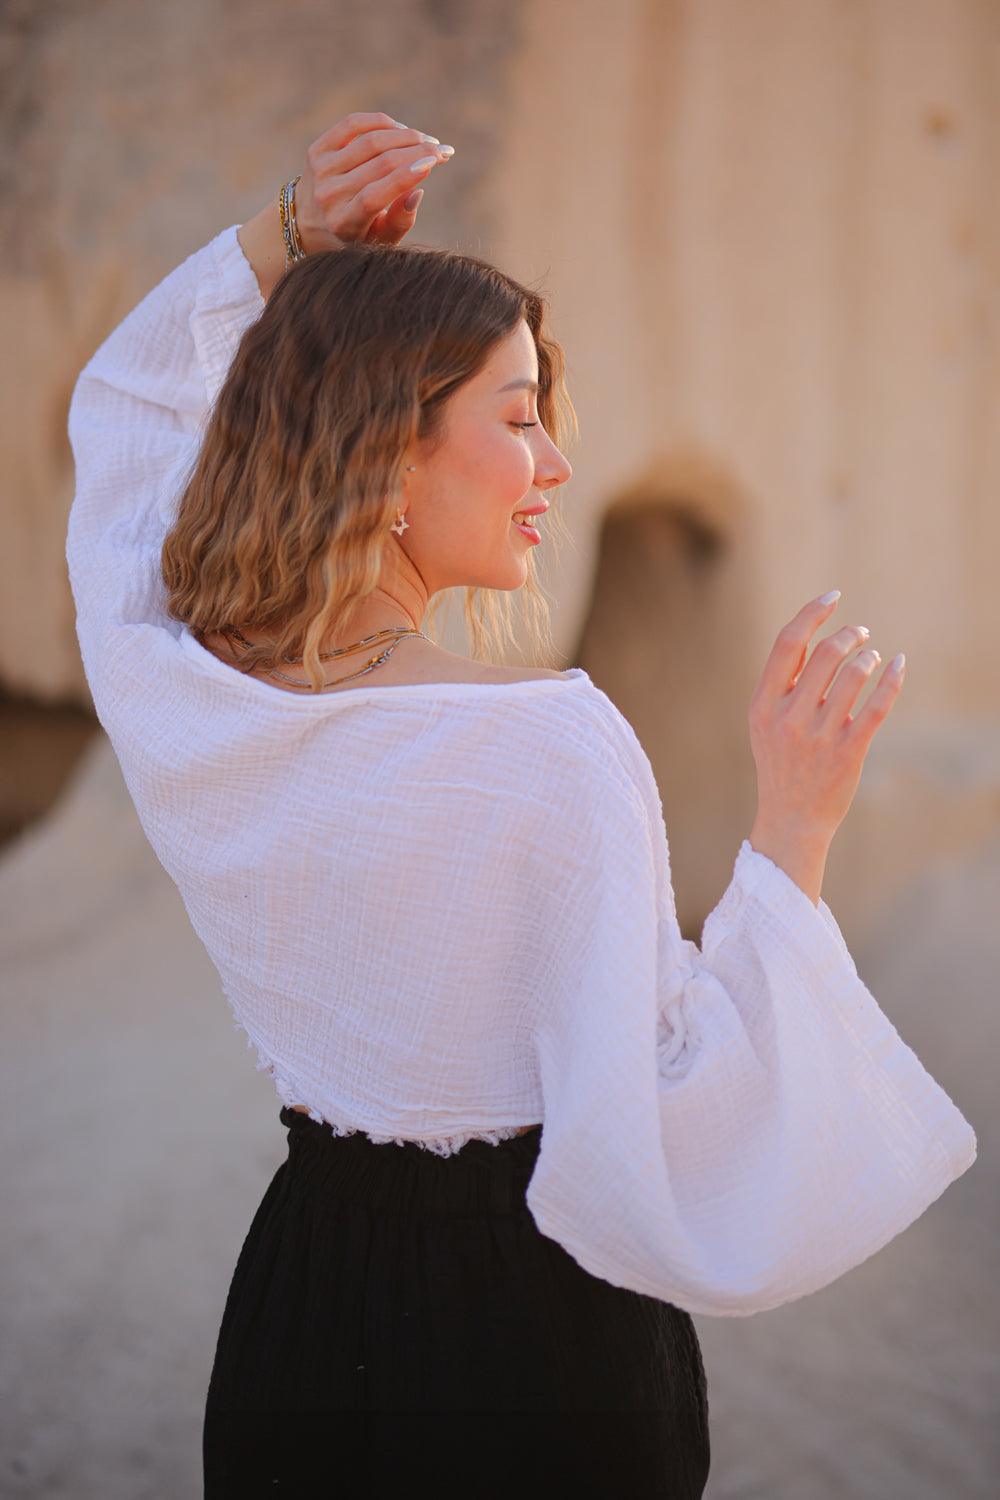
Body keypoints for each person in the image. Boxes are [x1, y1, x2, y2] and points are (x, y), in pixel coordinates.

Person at [64, 111, 976, 1498]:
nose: (555, 463)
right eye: (517, 414)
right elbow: (666, 1120)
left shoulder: (190, 697)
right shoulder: (543, 743)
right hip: (536, 1342)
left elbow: (127, 431)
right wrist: (797, 825)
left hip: (303, 1306)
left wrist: (284, 239)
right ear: (385, 449)